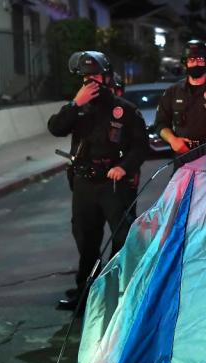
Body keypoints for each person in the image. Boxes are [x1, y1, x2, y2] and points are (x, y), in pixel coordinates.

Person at [47, 51, 147, 312]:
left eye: (96, 75)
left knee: (121, 239)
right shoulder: (78, 108)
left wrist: (124, 168)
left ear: (106, 76)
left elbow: (140, 147)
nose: (91, 81)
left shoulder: (123, 110)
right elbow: (56, 127)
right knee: (86, 240)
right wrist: (74, 104)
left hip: (113, 184)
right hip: (84, 184)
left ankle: (120, 294)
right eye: (86, 77)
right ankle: (86, 293)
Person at [154, 40, 206, 155]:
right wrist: (173, 140)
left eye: (200, 60)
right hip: (183, 156)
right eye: (191, 60)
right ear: (185, 63)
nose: (196, 64)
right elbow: (160, 124)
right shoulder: (173, 92)